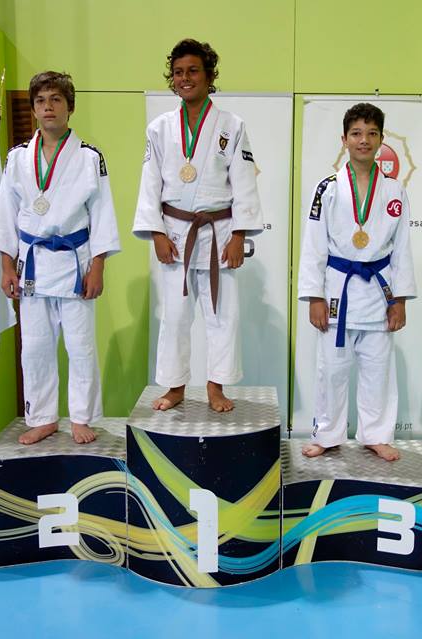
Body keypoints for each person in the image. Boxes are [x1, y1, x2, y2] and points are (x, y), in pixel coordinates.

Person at [0, 71, 120, 445]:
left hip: (75, 262)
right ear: (33, 109)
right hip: (32, 263)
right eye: (42, 101)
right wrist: (6, 265)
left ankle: (81, 416)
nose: (48, 107)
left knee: (80, 345)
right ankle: (43, 417)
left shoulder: (89, 157)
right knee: (35, 346)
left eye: (56, 100)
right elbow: (5, 214)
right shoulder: (17, 158)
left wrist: (98, 266)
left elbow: (103, 213)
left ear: (70, 108)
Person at [132, 38, 262, 413]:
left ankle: (215, 386)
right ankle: (175, 387)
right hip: (175, 232)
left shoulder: (231, 126)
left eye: (193, 71)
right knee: (174, 314)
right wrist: (155, 232)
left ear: (209, 76)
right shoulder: (159, 128)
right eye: (178, 73)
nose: (185, 78)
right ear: (171, 80)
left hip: (219, 232)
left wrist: (239, 235)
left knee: (223, 314)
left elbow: (244, 183)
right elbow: (150, 184)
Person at [298, 103, 416, 462]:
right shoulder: (328, 188)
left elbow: (402, 249)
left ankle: (376, 434)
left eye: (372, 133)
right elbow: (314, 243)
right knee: (331, 370)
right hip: (338, 289)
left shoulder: (395, 190)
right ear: (344, 140)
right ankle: (327, 434)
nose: (364, 140)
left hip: (379, 290)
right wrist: (314, 296)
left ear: (381, 139)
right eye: (356, 133)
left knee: (378, 371)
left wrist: (401, 299)